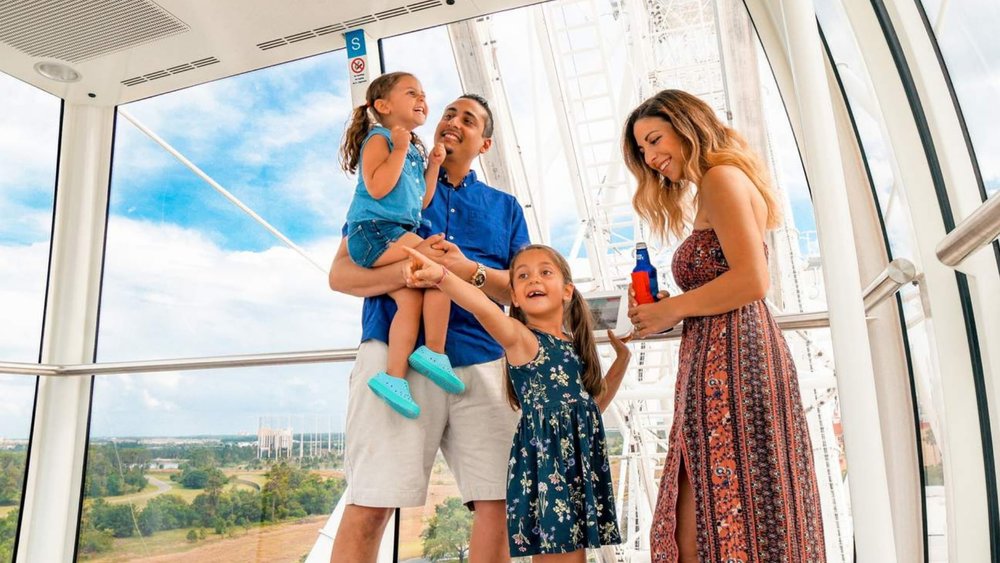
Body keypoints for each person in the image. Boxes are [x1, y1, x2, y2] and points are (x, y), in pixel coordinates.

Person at [621, 90, 826, 562]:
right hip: (722, 356)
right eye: (643, 151)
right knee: (731, 501)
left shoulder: (720, 178)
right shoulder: (717, 183)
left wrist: (673, 310)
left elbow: (754, 280)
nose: (652, 158)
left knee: (712, 506)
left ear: (686, 125)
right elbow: (730, 277)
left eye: (655, 140)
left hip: (734, 361)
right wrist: (672, 306)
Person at [328, 93, 530, 563]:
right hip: (395, 362)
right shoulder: (394, 182)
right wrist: (407, 274)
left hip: (484, 364)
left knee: (498, 505)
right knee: (371, 505)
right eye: (449, 113)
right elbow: (340, 275)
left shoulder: (506, 208)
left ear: (486, 144)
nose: (453, 121)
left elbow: (519, 290)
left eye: (469, 119)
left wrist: (462, 270)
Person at [406, 243, 632, 562]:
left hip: (577, 469)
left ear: (567, 291)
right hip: (548, 471)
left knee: (573, 557)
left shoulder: (572, 346)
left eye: (544, 272)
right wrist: (442, 276)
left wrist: (623, 358)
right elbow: (481, 308)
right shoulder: (523, 339)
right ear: (514, 297)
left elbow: (591, 409)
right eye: (522, 276)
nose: (532, 280)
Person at [340, 71, 461, 420]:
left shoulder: (410, 150)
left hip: (393, 230)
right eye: (411, 93)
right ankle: (433, 351)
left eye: (423, 93)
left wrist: (433, 165)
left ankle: (393, 378)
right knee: (439, 263)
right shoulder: (380, 139)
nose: (422, 99)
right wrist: (402, 148)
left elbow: (421, 202)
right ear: (383, 106)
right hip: (375, 231)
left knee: (410, 299)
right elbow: (378, 187)